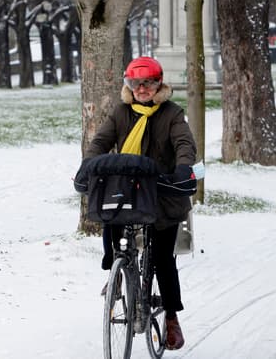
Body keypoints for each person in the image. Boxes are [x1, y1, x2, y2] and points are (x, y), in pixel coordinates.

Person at [83, 56, 196, 351]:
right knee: (111, 221)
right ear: (129, 86)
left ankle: (171, 318)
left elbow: (185, 144)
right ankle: (117, 273)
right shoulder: (120, 112)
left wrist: (184, 168)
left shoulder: (172, 114)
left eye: (148, 83)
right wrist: (89, 164)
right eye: (135, 83)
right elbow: (100, 142)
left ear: (159, 84)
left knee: (161, 260)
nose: (142, 89)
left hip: (161, 193)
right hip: (128, 189)